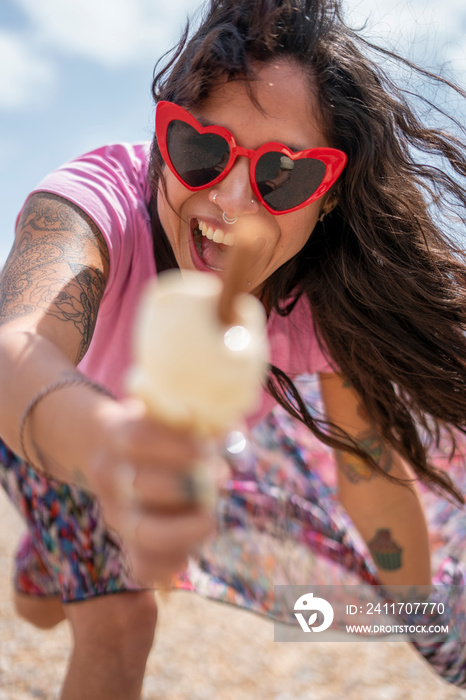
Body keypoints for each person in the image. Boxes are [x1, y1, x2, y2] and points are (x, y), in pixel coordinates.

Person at [0, 0, 465, 697]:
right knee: (123, 623)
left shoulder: (317, 307)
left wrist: (423, 612)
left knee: (50, 599)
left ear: (328, 196)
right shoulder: (97, 206)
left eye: (285, 175)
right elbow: (16, 347)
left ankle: (52, 561)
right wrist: (105, 449)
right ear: (164, 142)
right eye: (202, 150)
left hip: (182, 455)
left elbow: (369, 478)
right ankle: (62, 541)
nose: (233, 200)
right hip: (52, 423)